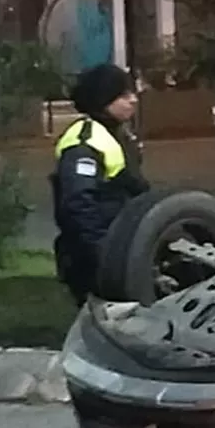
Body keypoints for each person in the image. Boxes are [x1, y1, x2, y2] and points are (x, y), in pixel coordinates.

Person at [51, 63, 148, 309]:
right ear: (103, 99)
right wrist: (102, 251)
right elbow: (77, 203)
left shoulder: (120, 135)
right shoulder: (84, 142)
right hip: (93, 256)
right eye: (124, 95)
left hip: (122, 247)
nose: (133, 100)